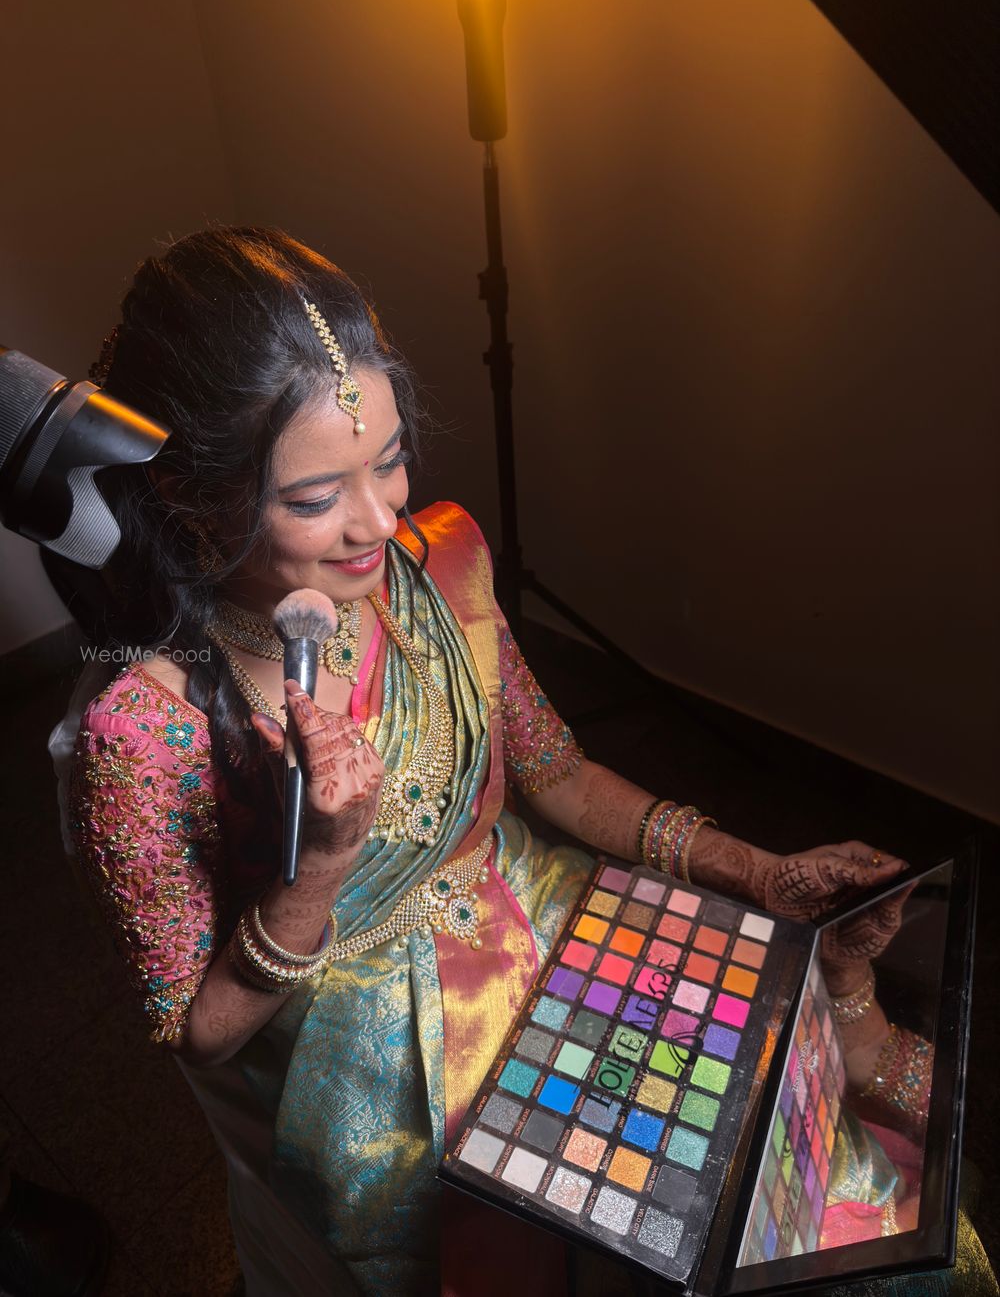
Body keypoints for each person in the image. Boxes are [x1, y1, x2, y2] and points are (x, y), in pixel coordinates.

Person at [56, 226, 912, 1297]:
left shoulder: (440, 563)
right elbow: (201, 1034)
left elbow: (560, 777)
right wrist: (317, 872)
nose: (380, 519)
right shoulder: (147, 732)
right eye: (315, 498)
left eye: (389, 458)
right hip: (379, 1068)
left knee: (789, 1160)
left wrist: (759, 872)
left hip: (553, 925)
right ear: (192, 497)